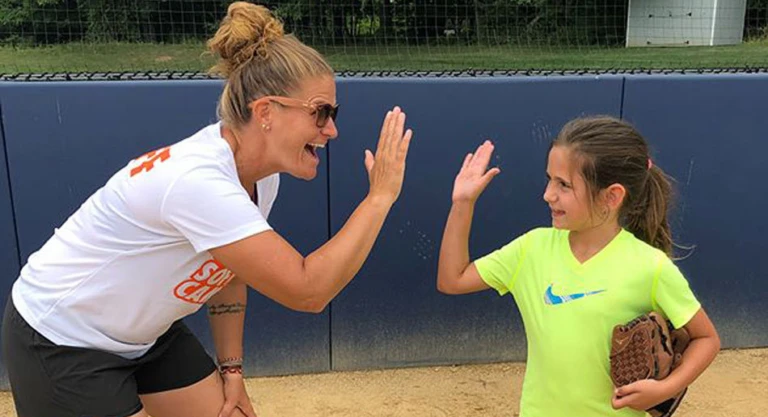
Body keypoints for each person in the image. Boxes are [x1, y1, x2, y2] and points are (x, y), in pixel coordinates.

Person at [1, 3, 413, 417]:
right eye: (321, 112)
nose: (332, 129)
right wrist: (378, 199)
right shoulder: (200, 181)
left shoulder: (259, 175)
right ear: (266, 112)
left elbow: (230, 269)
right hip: (61, 339)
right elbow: (307, 291)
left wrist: (231, 369)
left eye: (333, 113)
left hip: (145, 337)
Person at [436, 116, 719, 416]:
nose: (548, 194)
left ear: (611, 196)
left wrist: (665, 388)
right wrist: (463, 204)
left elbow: (706, 339)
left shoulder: (650, 267)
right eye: (549, 179)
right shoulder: (531, 249)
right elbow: (452, 279)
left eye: (564, 185)